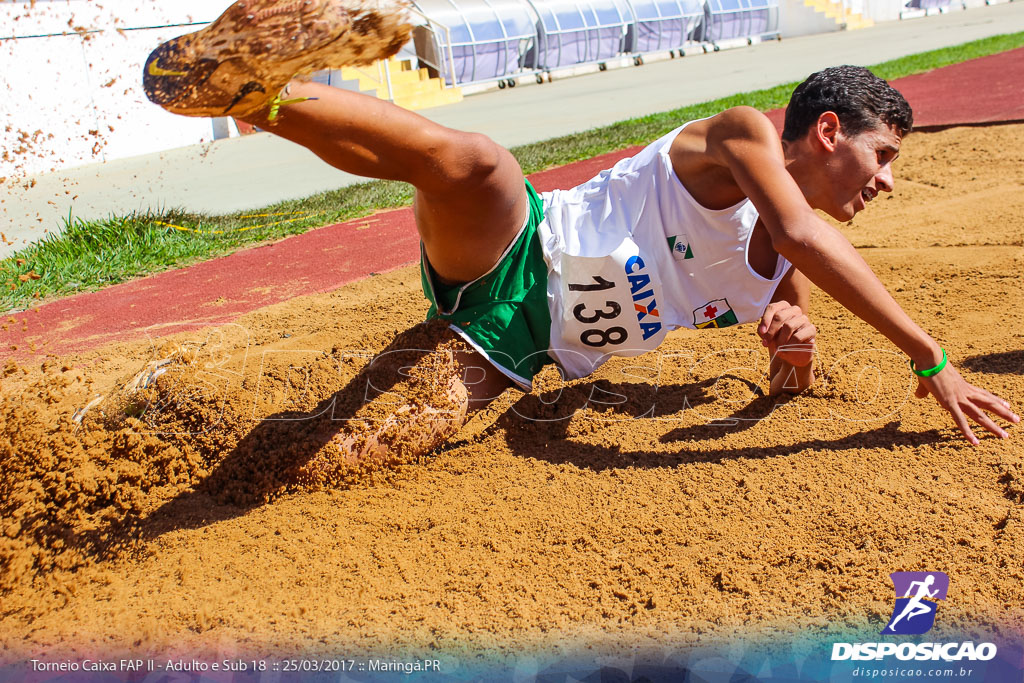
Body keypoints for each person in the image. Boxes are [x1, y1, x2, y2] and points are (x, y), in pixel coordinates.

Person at [141, 0, 1018, 463]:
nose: (890, 181)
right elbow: (801, 234)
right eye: (883, 155)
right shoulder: (744, 135)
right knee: (476, 161)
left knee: (363, 448)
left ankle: (193, 455)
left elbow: (790, 368)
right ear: (829, 132)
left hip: (516, 350)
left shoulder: (780, 272)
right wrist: (930, 358)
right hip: (520, 240)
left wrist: (795, 342)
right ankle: (250, 89)